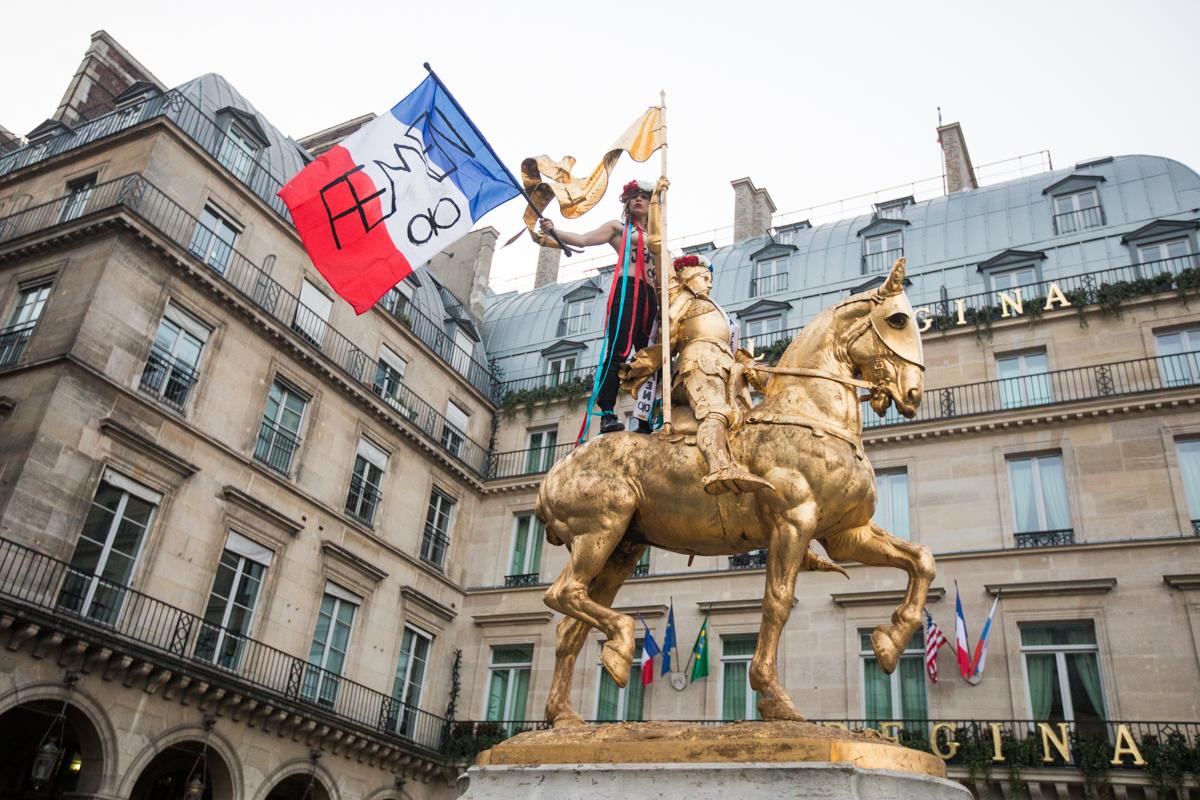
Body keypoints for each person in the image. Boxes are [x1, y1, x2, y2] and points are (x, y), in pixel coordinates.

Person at [624, 255, 773, 495]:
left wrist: (751, 365)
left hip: (726, 370)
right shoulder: (678, 297)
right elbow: (659, 249)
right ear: (686, 278)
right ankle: (719, 467)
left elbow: (733, 348)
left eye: (710, 279)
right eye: (704, 278)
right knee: (715, 410)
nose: (710, 284)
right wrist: (651, 219)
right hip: (697, 365)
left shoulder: (718, 310)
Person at [537, 178, 665, 434]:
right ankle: (607, 411)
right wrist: (555, 231)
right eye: (633, 196)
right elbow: (584, 240)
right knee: (618, 349)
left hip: (650, 296)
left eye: (644, 196)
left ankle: (645, 416)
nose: (638, 199)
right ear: (627, 203)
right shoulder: (619, 228)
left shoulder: (657, 235)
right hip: (627, 288)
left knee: (650, 357)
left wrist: (661, 195)